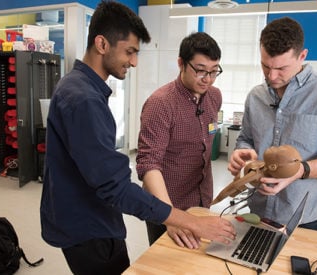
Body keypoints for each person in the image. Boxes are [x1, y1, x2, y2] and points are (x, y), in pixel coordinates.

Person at [39, 2, 235, 275]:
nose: (134, 62)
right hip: (89, 226)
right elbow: (116, 186)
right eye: (130, 52)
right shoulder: (84, 99)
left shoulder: (82, 89)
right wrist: (185, 220)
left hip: (95, 217)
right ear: (102, 44)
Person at [228, 17, 317, 233]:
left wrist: (300, 170)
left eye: (281, 68)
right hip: (257, 211)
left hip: (305, 219)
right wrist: (243, 151)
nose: (271, 76)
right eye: (265, 66)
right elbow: (246, 138)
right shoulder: (256, 96)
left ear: (302, 56)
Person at [136, 32, 223, 247]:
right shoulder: (161, 104)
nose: (208, 79)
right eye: (201, 71)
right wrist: (170, 217)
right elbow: (148, 165)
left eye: (214, 71)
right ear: (181, 64)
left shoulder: (214, 96)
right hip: (168, 205)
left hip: (201, 201)